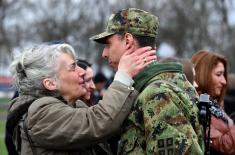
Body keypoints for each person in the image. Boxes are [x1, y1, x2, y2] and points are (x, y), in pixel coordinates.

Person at [5, 42, 156, 154]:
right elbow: (98, 123)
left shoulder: (74, 105)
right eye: (73, 67)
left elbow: (116, 124)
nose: (82, 71)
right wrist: (123, 76)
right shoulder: (40, 113)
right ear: (50, 83)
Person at [91, 8, 204, 154]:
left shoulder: (157, 95)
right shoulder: (150, 87)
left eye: (108, 44)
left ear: (127, 41)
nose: (104, 54)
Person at [192, 50, 235, 154]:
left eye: (224, 75)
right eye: (219, 74)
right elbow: (224, 145)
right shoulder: (197, 106)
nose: (224, 81)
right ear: (204, 75)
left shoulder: (214, 105)